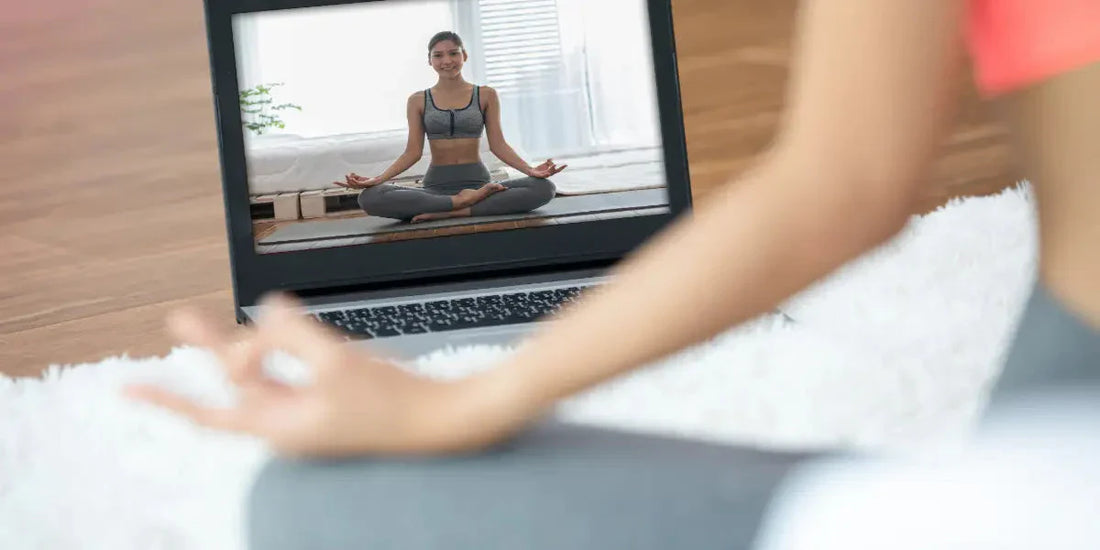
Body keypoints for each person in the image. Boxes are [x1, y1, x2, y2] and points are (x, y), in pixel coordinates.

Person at [127, 1, 1100, 548]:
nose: (450, 55)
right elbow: (399, 169)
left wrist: (456, 405)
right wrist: (378, 184)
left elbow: (840, 183)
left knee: (305, 505)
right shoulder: (427, 103)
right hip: (1072, 332)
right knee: (414, 201)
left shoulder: (489, 95)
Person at [332, 31, 566, 224]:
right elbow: (412, 152)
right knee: (370, 197)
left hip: (479, 184)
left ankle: (454, 211)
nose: (447, 61)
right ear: (430, 60)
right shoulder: (418, 100)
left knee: (543, 188)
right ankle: (459, 203)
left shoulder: (485, 95)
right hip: (436, 188)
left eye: (453, 53)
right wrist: (377, 179)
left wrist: (531, 171)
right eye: (438, 55)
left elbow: (498, 144)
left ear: (464, 55)